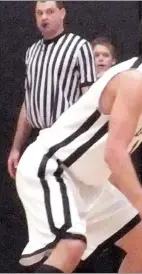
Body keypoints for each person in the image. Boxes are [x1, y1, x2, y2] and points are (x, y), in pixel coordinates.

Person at [15, 3, 142, 273]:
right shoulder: (135, 80)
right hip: (53, 166)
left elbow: (113, 160)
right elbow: (115, 152)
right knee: (71, 246)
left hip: (90, 182)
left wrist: (135, 210)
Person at [7, 0, 96, 179]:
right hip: (37, 136)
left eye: (50, 11)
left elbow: (90, 99)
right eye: (39, 13)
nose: (44, 17)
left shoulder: (79, 46)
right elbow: (29, 101)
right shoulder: (32, 51)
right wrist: (16, 147)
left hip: (66, 137)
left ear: (62, 13)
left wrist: (88, 143)